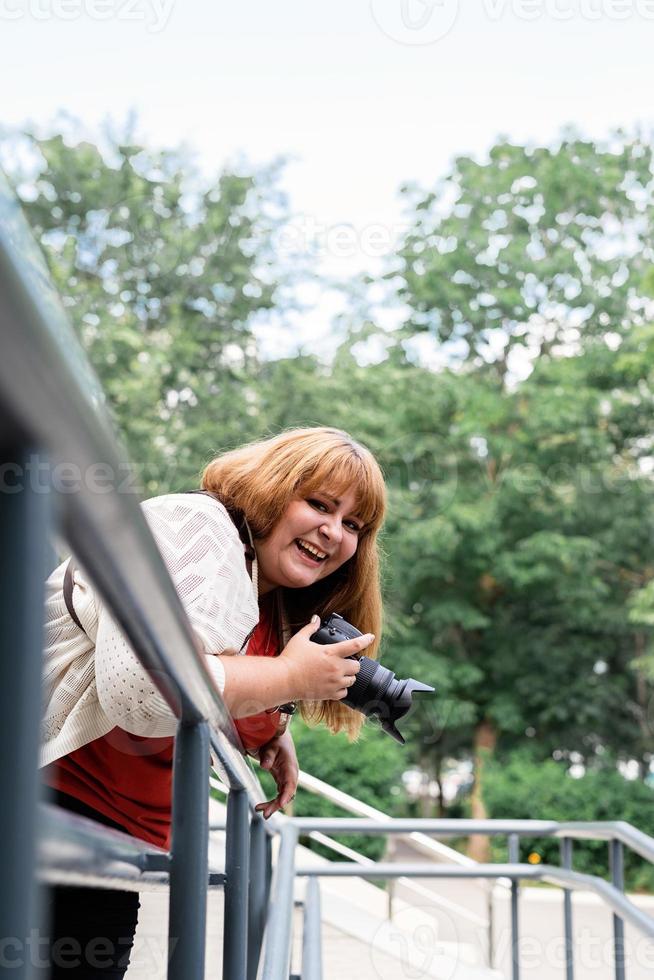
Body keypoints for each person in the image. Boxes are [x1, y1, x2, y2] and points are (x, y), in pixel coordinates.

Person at [39, 426, 387, 977]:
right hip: (43, 808)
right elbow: (147, 690)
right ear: (273, 489)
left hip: (115, 852)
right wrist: (289, 678)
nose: (333, 532)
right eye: (319, 504)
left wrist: (272, 731)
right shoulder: (198, 527)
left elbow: (217, 690)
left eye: (354, 525)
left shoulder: (269, 601)